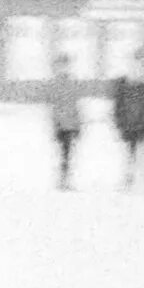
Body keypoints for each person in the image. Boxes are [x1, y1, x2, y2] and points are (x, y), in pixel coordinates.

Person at [111, 52, 144, 189]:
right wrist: (119, 121)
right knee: (131, 153)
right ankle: (130, 178)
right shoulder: (124, 83)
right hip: (130, 123)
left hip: (141, 123)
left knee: (142, 152)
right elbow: (118, 105)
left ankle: (140, 179)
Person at [45, 54, 86, 190]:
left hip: (70, 124)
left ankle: (65, 179)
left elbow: (76, 106)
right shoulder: (55, 84)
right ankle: (63, 179)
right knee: (64, 153)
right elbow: (54, 107)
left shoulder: (71, 83)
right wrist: (55, 124)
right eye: (61, 65)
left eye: (65, 65)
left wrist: (78, 124)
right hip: (61, 125)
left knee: (67, 153)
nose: (64, 68)